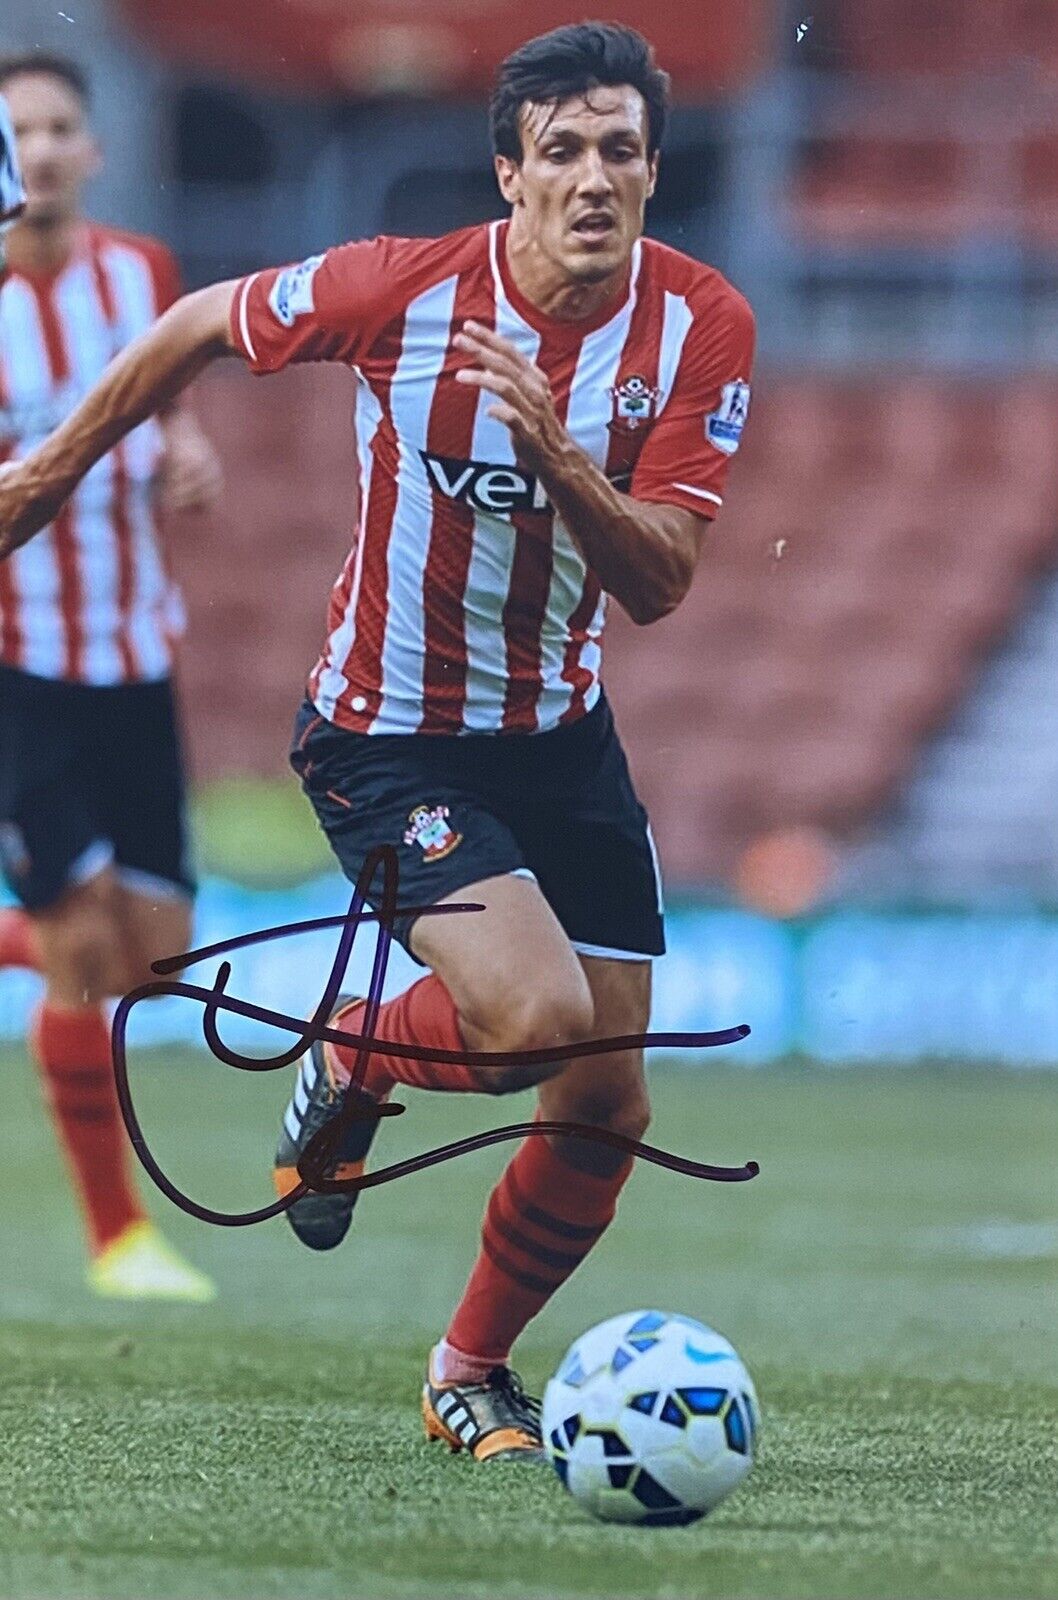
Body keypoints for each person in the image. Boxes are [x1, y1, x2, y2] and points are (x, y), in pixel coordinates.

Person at [0, 24, 754, 1448]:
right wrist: (46, 472)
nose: (592, 179)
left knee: (607, 1098)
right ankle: (351, 1051)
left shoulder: (699, 323)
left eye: (620, 150)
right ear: (507, 174)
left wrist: (559, 461)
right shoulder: (402, 292)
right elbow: (193, 326)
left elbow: (657, 581)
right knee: (533, 1021)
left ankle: (464, 1372)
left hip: (559, 734)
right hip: (385, 735)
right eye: (561, 151)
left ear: (654, 172)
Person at [0, 56, 221, 1300]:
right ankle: (117, 1240)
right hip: (20, 663)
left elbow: (175, 411)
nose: (37, 150)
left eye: (57, 127)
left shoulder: (139, 276)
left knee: (154, 962)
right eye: (15, 130)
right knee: (85, 951)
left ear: (94, 148)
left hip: (139, 658)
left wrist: (189, 453)